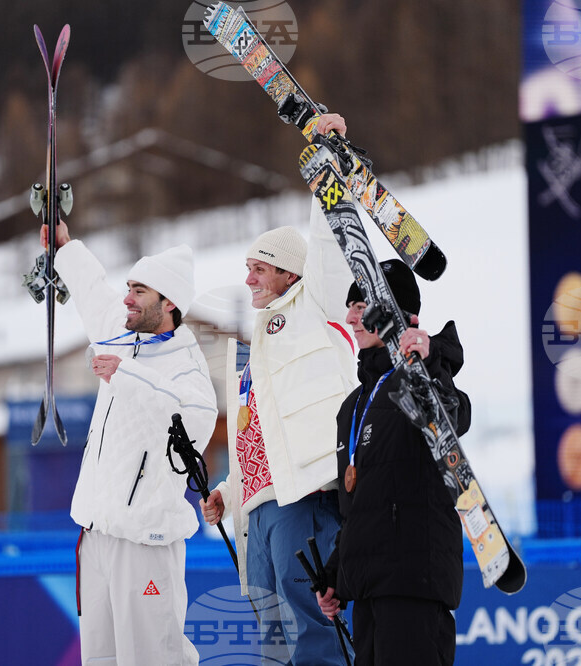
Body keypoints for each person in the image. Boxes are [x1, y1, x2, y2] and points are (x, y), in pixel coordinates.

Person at [200, 114, 359, 664]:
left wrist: (327, 160)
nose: (247, 280)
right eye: (246, 268)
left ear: (291, 274)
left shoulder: (318, 306)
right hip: (260, 513)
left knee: (315, 630)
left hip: (307, 498)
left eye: (259, 269)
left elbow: (330, 240)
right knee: (273, 641)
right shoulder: (252, 352)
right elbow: (256, 440)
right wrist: (230, 491)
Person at [43, 221, 218, 665]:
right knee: (100, 659)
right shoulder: (122, 336)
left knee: (153, 658)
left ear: (169, 301)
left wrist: (126, 375)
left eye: (139, 291)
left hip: (146, 543)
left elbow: (193, 420)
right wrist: (64, 247)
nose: (127, 298)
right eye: (130, 287)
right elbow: (92, 291)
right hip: (97, 534)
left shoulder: (188, 366)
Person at [316, 259, 471, 666]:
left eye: (362, 303)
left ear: (406, 316)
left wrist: (430, 358)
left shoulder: (416, 381)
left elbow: (454, 416)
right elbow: (358, 506)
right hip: (366, 590)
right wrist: (336, 575)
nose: (351, 316)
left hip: (413, 583)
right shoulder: (352, 407)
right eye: (349, 305)